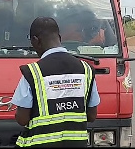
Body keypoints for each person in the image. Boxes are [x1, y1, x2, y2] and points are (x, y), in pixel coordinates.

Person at [11, 17, 100, 148]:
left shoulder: (33, 72)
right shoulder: (86, 69)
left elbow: (22, 119)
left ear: (35, 40)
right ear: (59, 37)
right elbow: (92, 116)